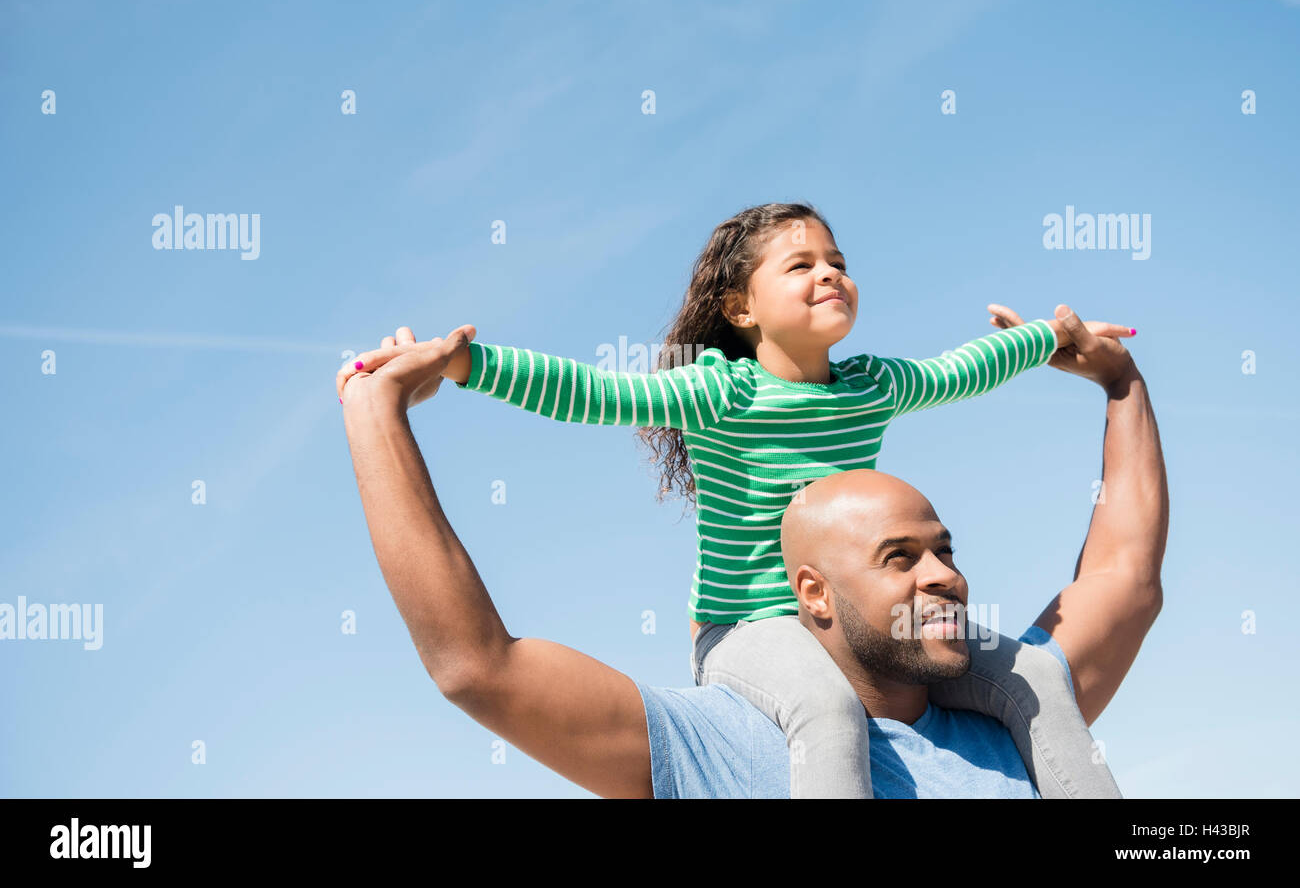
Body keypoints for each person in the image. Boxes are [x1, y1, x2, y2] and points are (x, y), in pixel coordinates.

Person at [338, 202, 1135, 797]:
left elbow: (969, 368)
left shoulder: (875, 386)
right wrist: (462, 367)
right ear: (741, 310)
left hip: (858, 623)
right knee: (827, 714)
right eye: (800, 266)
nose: (829, 273)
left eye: (836, 260)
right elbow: (591, 393)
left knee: (1035, 675)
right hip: (748, 630)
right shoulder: (720, 391)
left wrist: (1051, 339)